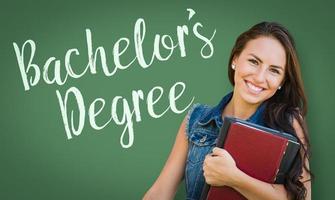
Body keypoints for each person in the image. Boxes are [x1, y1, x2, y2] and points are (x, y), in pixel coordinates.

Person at [143, 22, 312, 200]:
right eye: (254, 61)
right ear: (235, 59)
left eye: (274, 71)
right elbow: (160, 191)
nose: (260, 77)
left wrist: (234, 178)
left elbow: (303, 198)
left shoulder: (289, 123)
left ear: (282, 82)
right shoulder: (197, 119)